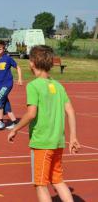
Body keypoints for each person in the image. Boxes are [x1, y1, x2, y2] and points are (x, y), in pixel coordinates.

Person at [7, 45, 80, 202]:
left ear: (32, 63)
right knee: (58, 180)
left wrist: (15, 128)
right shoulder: (58, 86)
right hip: (58, 143)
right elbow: (71, 111)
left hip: (42, 143)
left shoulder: (33, 86)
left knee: (40, 184)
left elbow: (31, 113)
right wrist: (73, 137)